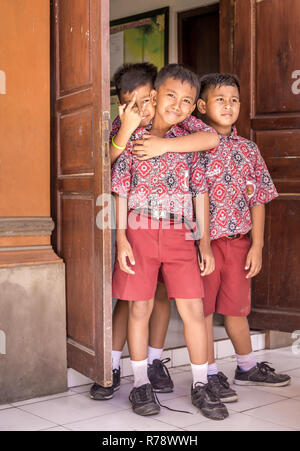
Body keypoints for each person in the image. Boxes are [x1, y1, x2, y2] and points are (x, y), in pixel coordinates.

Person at [90, 63, 220, 401]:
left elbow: (201, 189)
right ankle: (139, 383)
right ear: (155, 95)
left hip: (180, 233)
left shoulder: (187, 137)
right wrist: (120, 239)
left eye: (186, 101)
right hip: (139, 230)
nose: (177, 105)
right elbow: (117, 186)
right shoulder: (129, 130)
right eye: (170, 96)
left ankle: (201, 384)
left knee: (191, 307)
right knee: (137, 307)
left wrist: (204, 242)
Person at [194, 73, 291, 402]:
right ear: (202, 105)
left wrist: (258, 246)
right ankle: (208, 374)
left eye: (234, 100)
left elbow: (258, 199)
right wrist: (201, 243)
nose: (229, 105)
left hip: (238, 242)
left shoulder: (248, 150)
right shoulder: (193, 146)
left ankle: (246, 367)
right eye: (220, 99)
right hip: (203, 244)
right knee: (204, 311)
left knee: (237, 309)